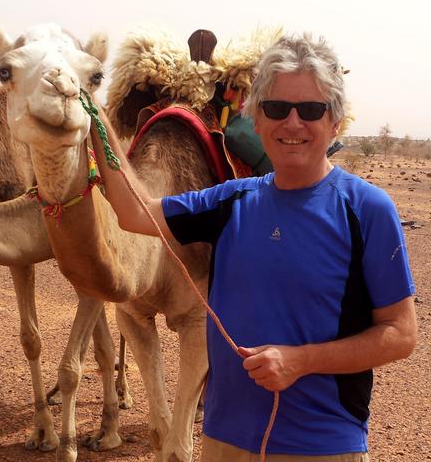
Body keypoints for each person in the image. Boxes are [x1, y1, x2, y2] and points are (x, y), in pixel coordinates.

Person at [89, 33, 417, 461]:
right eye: (277, 109)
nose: (293, 123)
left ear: (335, 121)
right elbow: (134, 213)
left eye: (312, 110)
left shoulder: (366, 210)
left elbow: (400, 334)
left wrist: (301, 361)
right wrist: (94, 111)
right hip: (224, 442)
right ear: (257, 121)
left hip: (321, 445)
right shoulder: (230, 201)